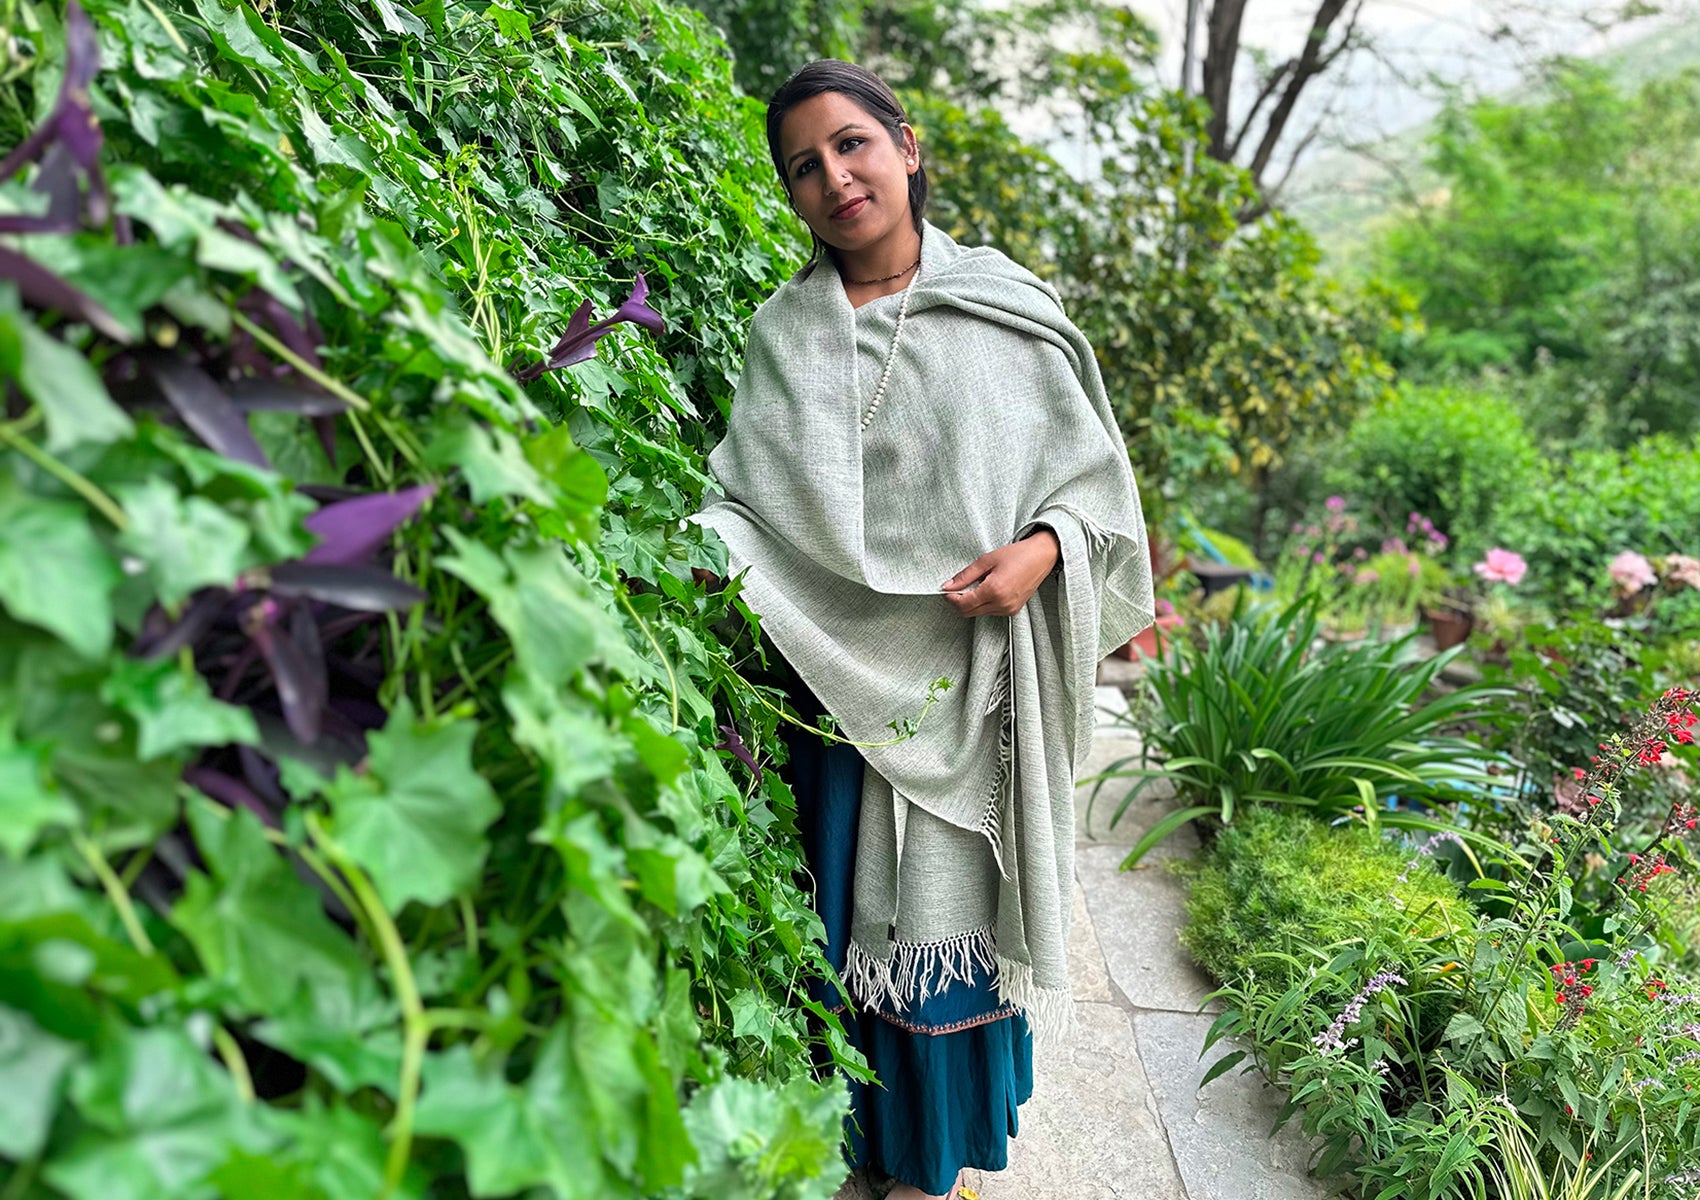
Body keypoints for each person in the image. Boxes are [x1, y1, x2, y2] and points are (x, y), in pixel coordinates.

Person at [691, 59, 1154, 1200]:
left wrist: (1039, 553)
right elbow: (741, 510)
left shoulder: (1005, 307)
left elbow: (1096, 490)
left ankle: (931, 1167)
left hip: (975, 686)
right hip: (836, 692)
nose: (834, 176)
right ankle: (849, 1156)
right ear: (792, 196)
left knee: (946, 946)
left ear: (906, 146)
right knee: (842, 931)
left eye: (851, 144)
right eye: (804, 165)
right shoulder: (782, 337)